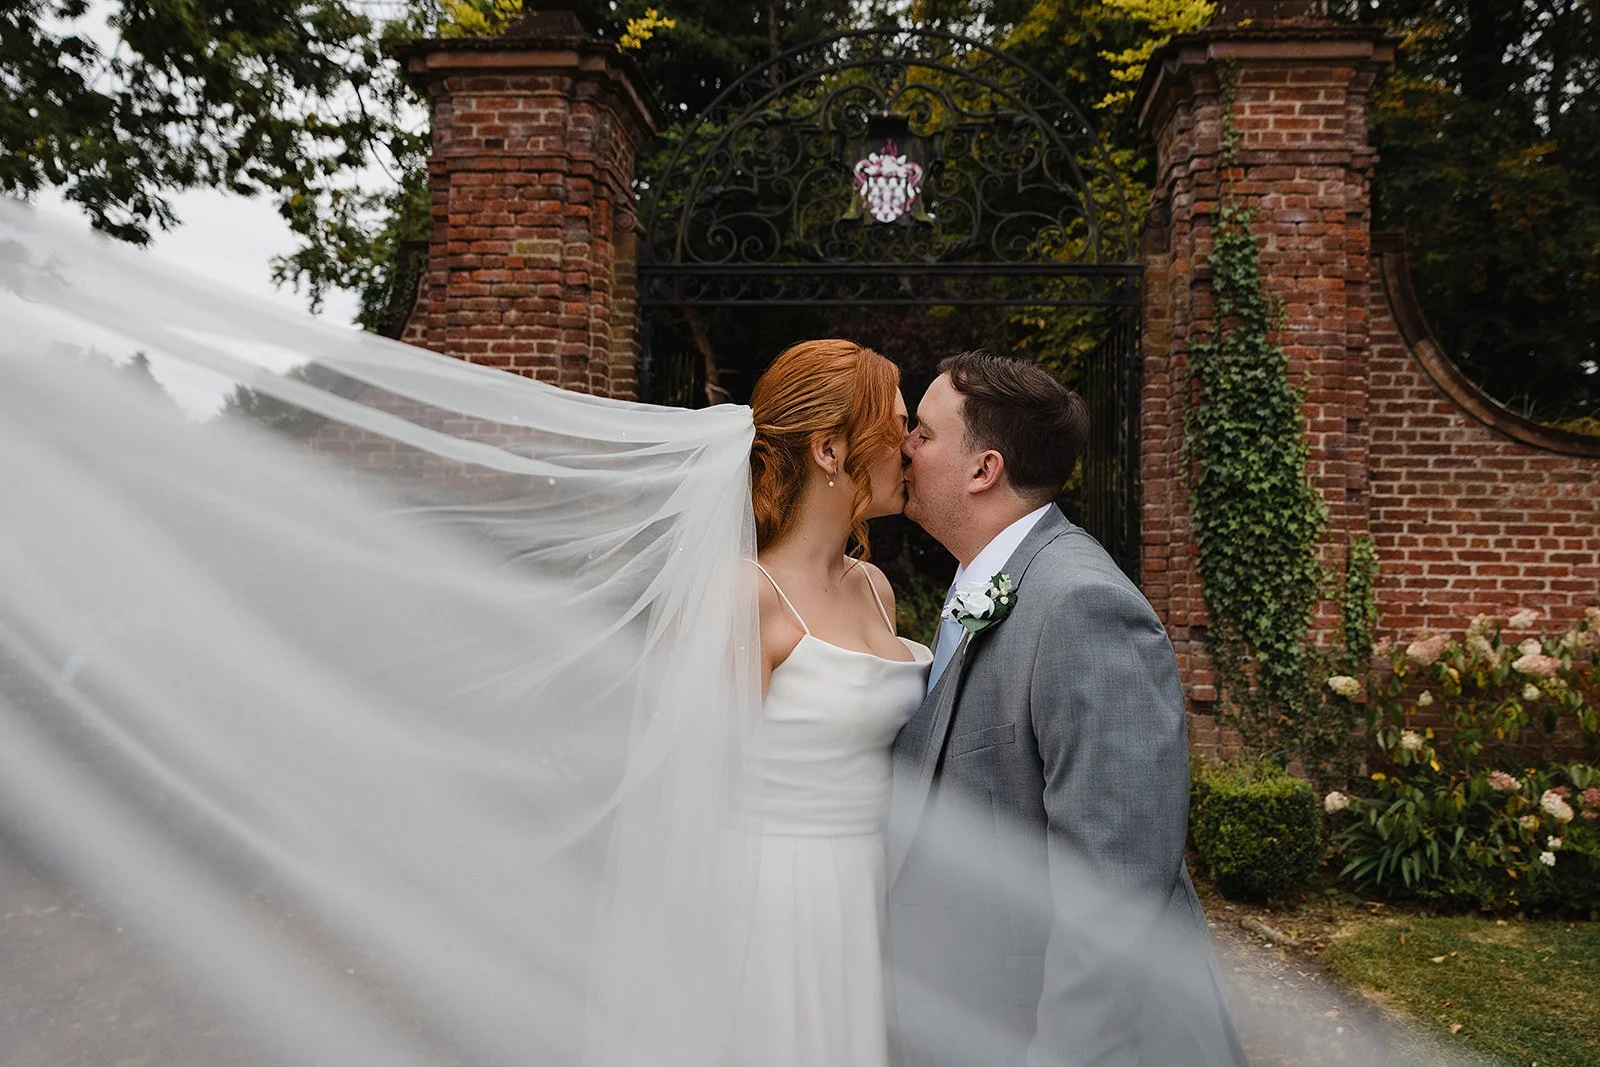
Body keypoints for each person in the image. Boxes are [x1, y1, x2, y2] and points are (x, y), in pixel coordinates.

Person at [888, 350, 1248, 1067]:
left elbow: (1113, 898)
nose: (903, 446)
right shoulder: (986, 582)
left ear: (983, 469)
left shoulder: (1083, 604)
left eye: (923, 433)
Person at [734, 339, 931, 1067]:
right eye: (899, 426)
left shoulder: (873, 586)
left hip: (880, 892)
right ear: (829, 449)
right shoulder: (749, 596)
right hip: (785, 907)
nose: (912, 447)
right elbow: (697, 793)